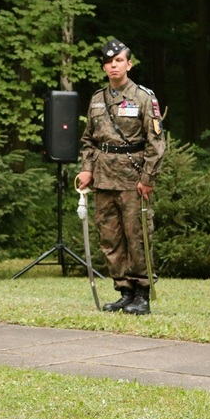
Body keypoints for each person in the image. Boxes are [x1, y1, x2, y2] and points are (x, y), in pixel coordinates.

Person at [78, 38, 166, 315]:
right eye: (109, 62)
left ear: (129, 64)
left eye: (119, 61)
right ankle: (124, 290)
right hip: (103, 178)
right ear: (104, 67)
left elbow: (156, 142)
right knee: (110, 237)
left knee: (137, 236)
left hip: (132, 178)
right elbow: (88, 140)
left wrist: (148, 179)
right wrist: (87, 169)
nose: (113, 65)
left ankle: (142, 293)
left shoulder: (143, 97)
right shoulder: (97, 99)